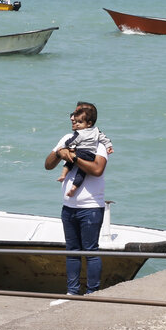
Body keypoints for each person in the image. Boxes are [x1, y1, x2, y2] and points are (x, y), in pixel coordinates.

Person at [44, 102, 110, 295]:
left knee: (90, 252)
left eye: (76, 115)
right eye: (72, 115)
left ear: (87, 120)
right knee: (72, 252)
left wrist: (73, 157)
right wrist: (59, 152)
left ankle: (93, 293)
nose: (72, 118)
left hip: (91, 207)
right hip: (68, 207)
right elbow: (48, 165)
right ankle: (72, 292)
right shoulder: (67, 138)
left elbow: (97, 170)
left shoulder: (97, 141)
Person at [55, 109, 113, 198]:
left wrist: (64, 146)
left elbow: (73, 141)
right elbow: (104, 138)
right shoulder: (97, 131)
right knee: (82, 172)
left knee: (69, 161)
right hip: (90, 155)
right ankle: (74, 187)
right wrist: (109, 146)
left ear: (89, 123)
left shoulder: (80, 133)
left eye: (80, 122)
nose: (77, 124)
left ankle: (63, 175)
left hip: (81, 152)